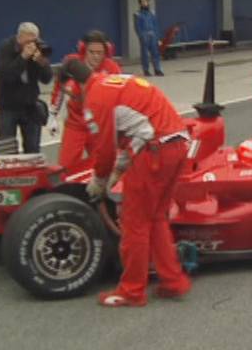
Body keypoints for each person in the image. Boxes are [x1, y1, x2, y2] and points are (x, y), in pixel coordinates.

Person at [58, 59, 192, 306]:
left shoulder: (95, 99)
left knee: (134, 222)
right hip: (178, 144)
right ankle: (173, 282)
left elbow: (104, 150)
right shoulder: (114, 81)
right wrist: (119, 169)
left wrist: (99, 180)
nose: (72, 101)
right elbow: (134, 130)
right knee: (157, 218)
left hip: (154, 151)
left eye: (70, 94)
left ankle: (131, 291)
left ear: (75, 84)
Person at [48, 30, 123, 171]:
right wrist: (52, 114)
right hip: (75, 123)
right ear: (83, 50)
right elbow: (59, 87)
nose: (96, 56)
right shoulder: (72, 64)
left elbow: (119, 98)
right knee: (65, 167)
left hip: (99, 125)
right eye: (91, 52)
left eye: (100, 53)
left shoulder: (112, 68)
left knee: (104, 165)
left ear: (106, 52)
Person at [0, 21, 53, 153]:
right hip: (8, 106)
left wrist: (41, 62)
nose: (31, 45)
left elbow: (47, 79)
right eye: (28, 42)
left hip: (30, 105)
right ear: (19, 37)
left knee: (33, 148)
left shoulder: (37, 49)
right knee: (6, 149)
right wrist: (23, 57)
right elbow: (7, 76)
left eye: (34, 41)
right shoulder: (6, 48)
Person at [133, 0, 164, 77]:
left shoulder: (152, 13)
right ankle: (146, 70)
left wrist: (158, 38)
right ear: (140, 3)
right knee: (145, 54)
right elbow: (137, 27)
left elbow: (156, 25)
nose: (145, 3)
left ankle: (157, 69)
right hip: (145, 36)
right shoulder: (137, 14)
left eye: (146, 1)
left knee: (155, 53)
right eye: (143, 1)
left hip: (153, 35)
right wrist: (141, 36)